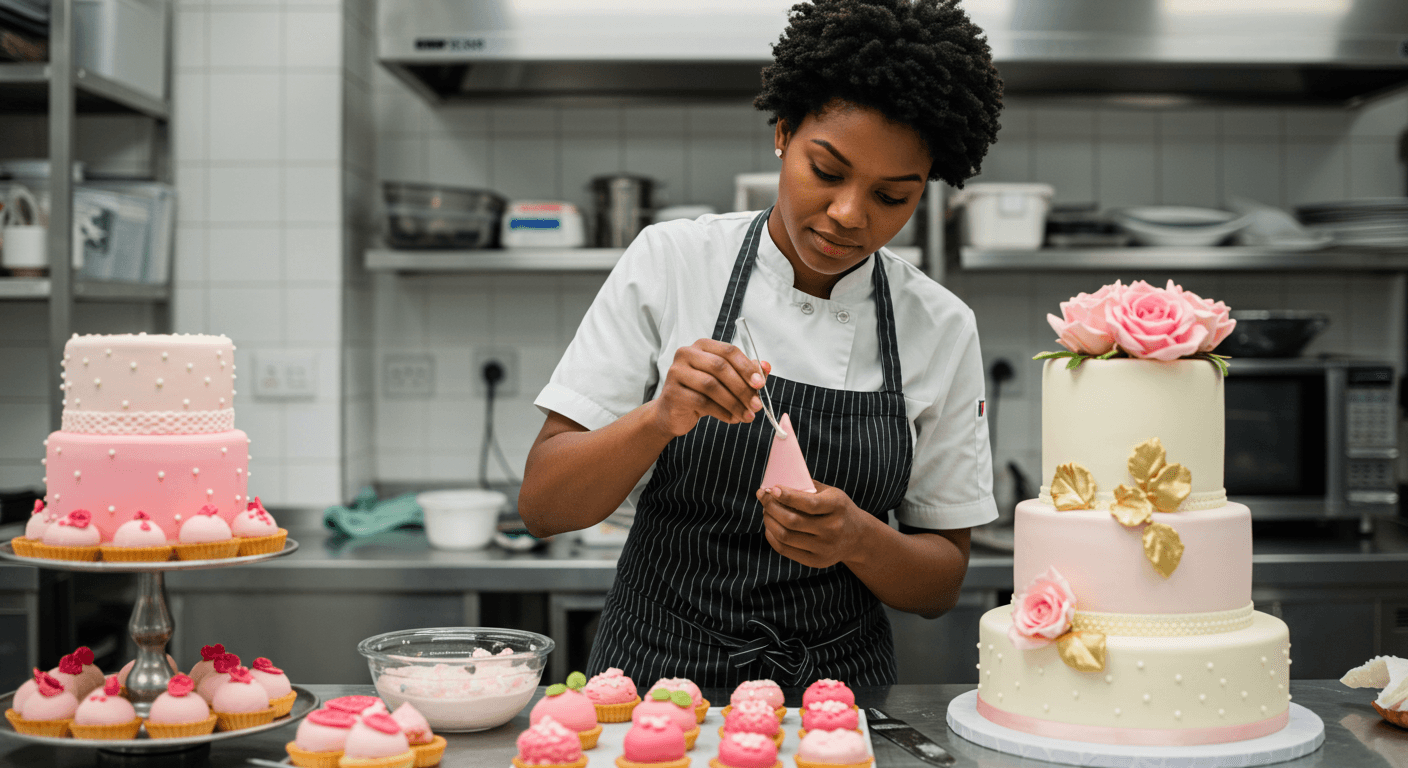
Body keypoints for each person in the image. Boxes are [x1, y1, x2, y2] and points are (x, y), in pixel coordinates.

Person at [519, 0, 1004, 687]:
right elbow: (544, 506)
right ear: (782, 132)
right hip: (654, 684)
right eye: (827, 171)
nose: (848, 215)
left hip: (835, 699)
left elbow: (940, 585)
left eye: (892, 197)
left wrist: (860, 539)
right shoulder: (674, 260)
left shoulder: (940, 325)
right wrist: (658, 419)